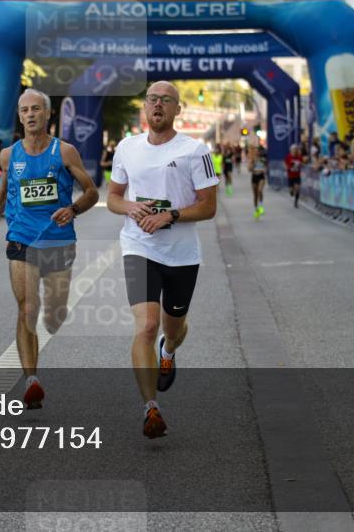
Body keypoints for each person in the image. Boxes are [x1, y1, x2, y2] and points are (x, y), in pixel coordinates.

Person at [0, 89, 98, 409]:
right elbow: (4, 194)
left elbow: (91, 191)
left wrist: (73, 209)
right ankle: (31, 379)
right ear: (20, 116)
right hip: (20, 237)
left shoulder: (64, 152)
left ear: (47, 114)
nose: (31, 114)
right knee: (26, 309)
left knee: (54, 315)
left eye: (36, 109)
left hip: (58, 240)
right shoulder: (9, 155)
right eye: (25, 110)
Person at [106, 81, 218, 439]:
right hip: (139, 246)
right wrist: (131, 207)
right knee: (146, 326)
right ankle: (150, 408)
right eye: (152, 99)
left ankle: (168, 351)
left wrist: (170, 215)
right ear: (145, 107)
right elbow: (113, 197)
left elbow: (209, 206)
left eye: (166, 100)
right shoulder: (127, 147)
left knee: (172, 328)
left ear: (177, 110)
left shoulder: (195, 150)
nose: (157, 105)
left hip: (182, 254)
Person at [249, 143, 268, 219]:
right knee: (255, 195)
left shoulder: (263, 159)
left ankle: (261, 206)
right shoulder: (253, 160)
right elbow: (249, 169)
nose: (257, 153)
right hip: (254, 177)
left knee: (260, 190)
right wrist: (253, 164)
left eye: (258, 151)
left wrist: (263, 170)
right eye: (256, 152)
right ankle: (256, 209)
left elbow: (266, 168)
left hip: (261, 177)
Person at [284, 143, 303, 208]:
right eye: (293, 149)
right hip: (290, 176)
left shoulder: (299, 157)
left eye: (295, 149)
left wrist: (300, 165)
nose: (294, 151)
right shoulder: (288, 157)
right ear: (291, 150)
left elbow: (302, 163)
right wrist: (287, 167)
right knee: (291, 191)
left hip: (297, 176)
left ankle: (296, 202)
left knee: (297, 189)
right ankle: (291, 192)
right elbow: (285, 164)